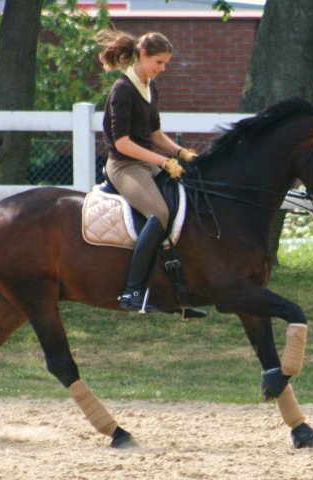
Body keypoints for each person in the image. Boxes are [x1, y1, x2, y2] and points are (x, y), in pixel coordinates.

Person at [97, 29, 197, 313]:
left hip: (146, 162)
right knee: (160, 214)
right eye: (160, 62)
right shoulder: (123, 90)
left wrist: (180, 153)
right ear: (143, 55)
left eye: (165, 63)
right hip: (124, 165)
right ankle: (131, 292)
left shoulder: (149, 86)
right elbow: (122, 143)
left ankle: (178, 292)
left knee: (184, 201)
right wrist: (162, 162)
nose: (163, 69)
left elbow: (154, 133)